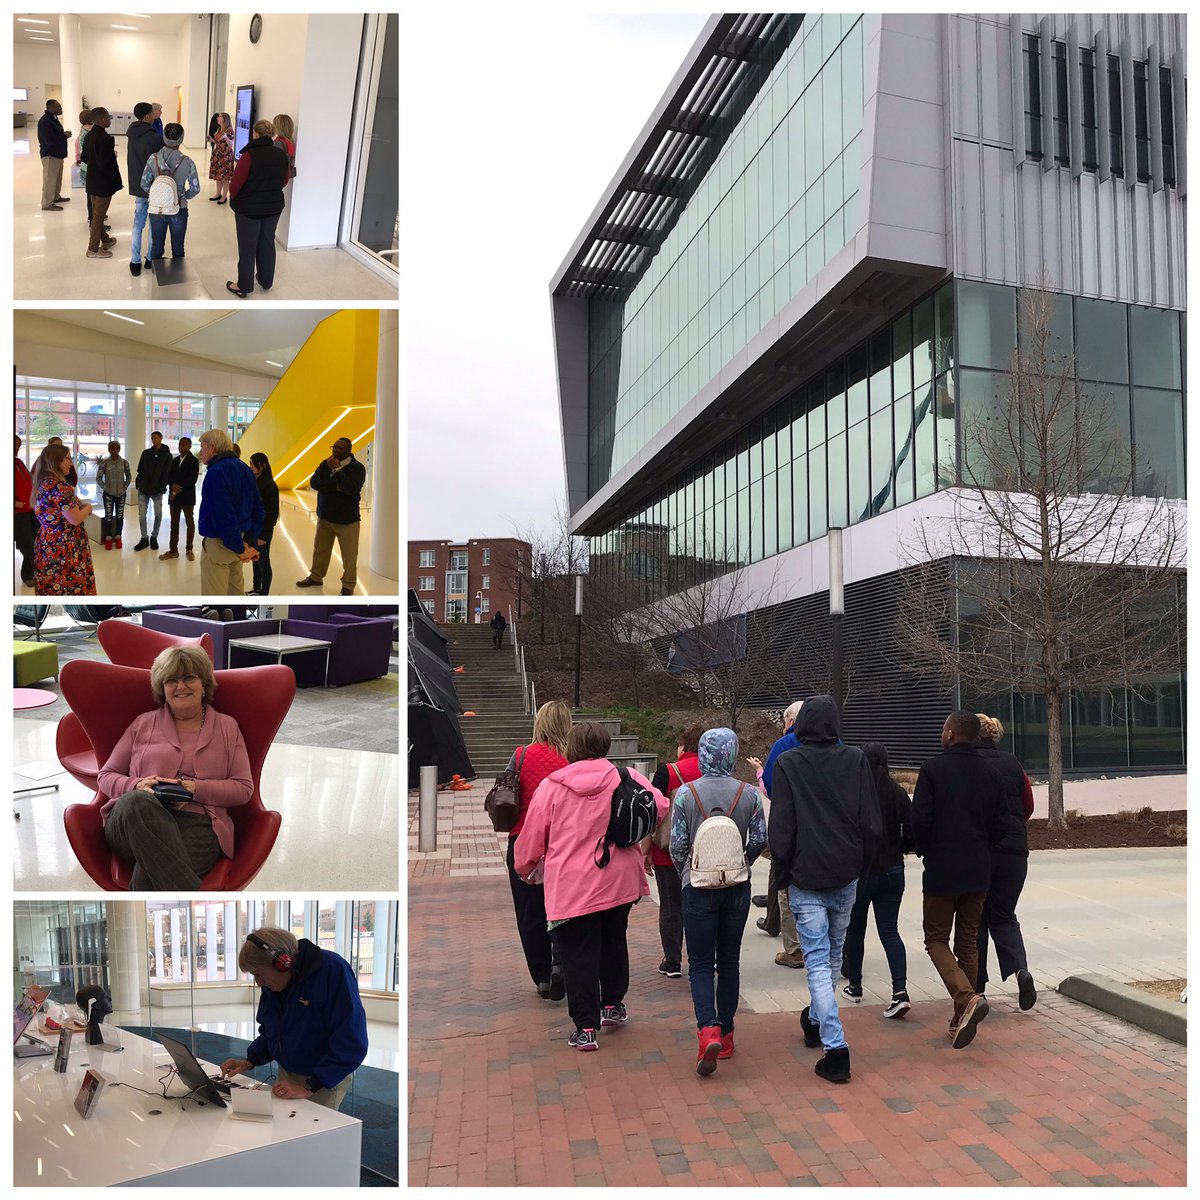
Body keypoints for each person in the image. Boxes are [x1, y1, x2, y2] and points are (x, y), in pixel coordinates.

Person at [513, 722, 667, 1052]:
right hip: (620, 878)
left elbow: (531, 839)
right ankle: (612, 1004)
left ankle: (585, 1027)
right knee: (613, 939)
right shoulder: (625, 777)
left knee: (577, 953)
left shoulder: (552, 786)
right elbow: (660, 805)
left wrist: (525, 868)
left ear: (571, 748)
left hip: (573, 885)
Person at [769, 695, 880, 1084]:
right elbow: (870, 819)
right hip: (846, 870)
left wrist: (782, 874)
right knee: (831, 955)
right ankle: (816, 1020)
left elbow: (782, 825)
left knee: (818, 959)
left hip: (806, 872)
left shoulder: (788, 763)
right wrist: (863, 863)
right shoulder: (855, 760)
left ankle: (835, 1046)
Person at [97, 645, 251, 890]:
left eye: (189, 677)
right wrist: (136, 785)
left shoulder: (227, 727)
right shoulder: (142, 724)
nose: (180, 686)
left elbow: (243, 789)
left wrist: (194, 790)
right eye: (171, 680)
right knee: (137, 801)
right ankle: (197, 901)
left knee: (152, 869)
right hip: (133, 822)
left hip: (198, 825)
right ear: (162, 688)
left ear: (204, 684)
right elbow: (105, 776)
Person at [671, 728, 767, 1075]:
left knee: (700, 964)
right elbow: (760, 839)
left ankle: (707, 1029)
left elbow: (677, 845)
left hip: (698, 888)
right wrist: (742, 862)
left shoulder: (686, 793)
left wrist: (689, 872)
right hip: (736, 888)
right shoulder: (749, 794)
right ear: (733, 754)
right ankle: (726, 1035)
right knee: (728, 961)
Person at [912, 710, 1009, 1049]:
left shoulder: (933, 769)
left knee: (935, 939)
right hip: (978, 867)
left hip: (942, 867)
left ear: (952, 734)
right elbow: (1003, 824)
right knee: (967, 942)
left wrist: (925, 849)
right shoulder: (991, 773)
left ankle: (967, 998)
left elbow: (920, 819)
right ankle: (960, 1017)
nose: (942, 733)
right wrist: (982, 846)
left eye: (943, 729)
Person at [219, 928, 368, 1111]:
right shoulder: (275, 983)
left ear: (283, 962)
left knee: (314, 1128)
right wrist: (251, 1060)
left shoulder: (332, 970)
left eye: (259, 974)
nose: (258, 983)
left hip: (323, 1078)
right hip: (288, 1073)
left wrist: (309, 1086)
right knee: (285, 1124)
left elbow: (351, 1041)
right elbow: (272, 1030)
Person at [502, 700, 571, 1001]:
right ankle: (560, 963)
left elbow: (505, 792)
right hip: (563, 842)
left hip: (523, 841)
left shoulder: (520, 756)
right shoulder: (573, 758)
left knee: (529, 911)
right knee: (563, 907)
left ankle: (541, 975)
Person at [841, 742, 915, 1017]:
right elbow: (912, 832)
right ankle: (899, 991)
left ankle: (855, 986)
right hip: (893, 869)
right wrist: (900, 847)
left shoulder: (855, 793)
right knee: (890, 931)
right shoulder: (898, 793)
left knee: (855, 930)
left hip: (861, 871)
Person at [974, 713, 1037, 1010]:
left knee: (975, 919)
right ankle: (1021, 970)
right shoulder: (1013, 763)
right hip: (1015, 852)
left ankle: (977, 989)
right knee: (1004, 916)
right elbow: (1028, 805)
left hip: (982, 851)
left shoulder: (969, 764)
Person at [752, 700, 806, 969]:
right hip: (827, 831)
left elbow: (771, 788)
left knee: (786, 890)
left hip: (789, 828)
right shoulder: (838, 746)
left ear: (791, 721)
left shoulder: (784, 746)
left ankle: (794, 949)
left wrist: (760, 773)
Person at [646, 726, 703, 978]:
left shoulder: (667, 772)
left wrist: (646, 850)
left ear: (683, 746)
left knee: (670, 907)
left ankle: (672, 961)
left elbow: (652, 814)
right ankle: (701, 959)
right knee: (700, 908)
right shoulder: (712, 773)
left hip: (667, 852)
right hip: (704, 854)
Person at [226, 119, 289, 298]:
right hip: (274, 207)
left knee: (248, 247)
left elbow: (235, 186)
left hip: (248, 210)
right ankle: (266, 280)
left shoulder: (248, 156)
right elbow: (284, 181)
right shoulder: (280, 155)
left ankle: (244, 286)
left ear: (255, 134)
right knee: (267, 243)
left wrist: (236, 199)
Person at [295, 438, 366, 596]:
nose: (334, 450)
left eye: (338, 448)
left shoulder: (358, 468)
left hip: (347, 521)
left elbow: (350, 488)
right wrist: (335, 486)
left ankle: (348, 585)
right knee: (320, 550)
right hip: (325, 517)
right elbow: (314, 482)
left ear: (348, 450)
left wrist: (337, 471)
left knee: (349, 556)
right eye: (333, 447)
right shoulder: (325, 463)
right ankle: (316, 576)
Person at [197, 427, 263, 595]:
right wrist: (247, 542)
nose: (200, 452)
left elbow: (223, 516)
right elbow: (258, 509)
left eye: (202, 447)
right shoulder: (244, 469)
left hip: (220, 544)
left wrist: (240, 548)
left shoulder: (215, 473)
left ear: (212, 447)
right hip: (240, 540)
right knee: (236, 593)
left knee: (215, 598)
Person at [32, 444, 95, 596]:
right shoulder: (60, 487)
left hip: (48, 542)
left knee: (52, 584)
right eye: (68, 459)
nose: (71, 463)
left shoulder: (43, 483)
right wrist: (88, 508)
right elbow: (75, 519)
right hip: (65, 545)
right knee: (69, 586)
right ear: (57, 461)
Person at [142, 124, 201, 262]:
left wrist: (157, 195)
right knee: (178, 247)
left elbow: (144, 184)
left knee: (156, 246)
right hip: (178, 209)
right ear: (181, 139)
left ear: (164, 137)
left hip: (157, 209)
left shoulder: (153, 159)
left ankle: (156, 270)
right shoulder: (187, 162)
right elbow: (195, 188)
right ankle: (178, 272)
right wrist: (182, 196)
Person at [125, 101, 164, 277]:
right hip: (153, 186)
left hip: (138, 184)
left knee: (137, 224)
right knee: (153, 224)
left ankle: (135, 262)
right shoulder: (154, 137)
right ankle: (150, 259)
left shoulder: (131, 133)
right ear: (148, 116)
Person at [81, 106, 121, 259]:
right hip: (102, 184)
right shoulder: (104, 138)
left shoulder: (89, 136)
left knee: (97, 213)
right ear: (103, 119)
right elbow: (107, 164)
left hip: (92, 181)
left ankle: (105, 239)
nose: (110, 120)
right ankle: (93, 249)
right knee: (98, 216)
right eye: (108, 117)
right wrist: (113, 180)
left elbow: (84, 157)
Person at [160, 435, 199, 562]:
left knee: (190, 523)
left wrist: (177, 488)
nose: (181, 447)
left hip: (187, 497)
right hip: (174, 498)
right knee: (174, 524)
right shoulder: (175, 460)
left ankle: (189, 549)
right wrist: (172, 486)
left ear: (189, 446)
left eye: (183, 445)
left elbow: (192, 479)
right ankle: (173, 551)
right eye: (179, 445)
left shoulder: (194, 461)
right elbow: (169, 476)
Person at [133, 431, 171, 552]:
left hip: (157, 489)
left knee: (158, 514)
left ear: (161, 438)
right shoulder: (146, 453)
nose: (153, 440)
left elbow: (166, 473)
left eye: (155, 438)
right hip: (143, 488)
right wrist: (139, 483)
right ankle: (144, 538)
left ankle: (154, 536)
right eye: (152, 438)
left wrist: (162, 487)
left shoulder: (167, 455)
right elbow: (140, 469)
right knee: (142, 515)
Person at [248, 452, 279, 594]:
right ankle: (256, 587)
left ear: (262, 466)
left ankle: (264, 593)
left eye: (253, 464)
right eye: (250, 463)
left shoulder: (269, 485)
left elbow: (272, 513)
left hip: (263, 531)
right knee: (255, 559)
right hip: (253, 528)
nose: (251, 466)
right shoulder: (255, 481)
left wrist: (264, 535)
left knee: (263, 562)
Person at [96, 440, 131, 551]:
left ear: (119, 449)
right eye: (112, 448)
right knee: (108, 516)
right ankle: (108, 538)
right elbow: (98, 478)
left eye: (116, 448)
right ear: (109, 450)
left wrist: (125, 487)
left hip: (121, 494)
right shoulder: (104, 463)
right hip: (108, 495)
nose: (114, 450)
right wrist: (105, 487)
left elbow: (129, 477)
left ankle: (118, 537)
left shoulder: (124, 463)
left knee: (120, 516)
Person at [15, 436, 39, 587]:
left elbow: (29, 481)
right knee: (27, 545)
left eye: (19, 445)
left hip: (30, 509)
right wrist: (18, 504)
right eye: (14, 444)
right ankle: (35, 572)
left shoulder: (18, 462)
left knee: (35, 541)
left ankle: (29, 573)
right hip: (18, 513)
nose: (17, 447)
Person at [37, 98, 70, 211]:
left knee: (57, 178)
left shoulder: (53, 119)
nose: (61, 108)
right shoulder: (45, 121)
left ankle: (55, 196)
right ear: (51, 108)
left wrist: (63, 135)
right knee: (50, 179)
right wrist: (64, 136)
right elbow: (48, 140)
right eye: (58, 106)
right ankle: (47, 203)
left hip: (57, 154)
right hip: (50, 155)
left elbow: (55, 134)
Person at [208, 112, 234, 203]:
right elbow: (218, 142)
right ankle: (218, 194)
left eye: (219, 117)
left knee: (225, 177)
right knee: (218, 176)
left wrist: (226, 137)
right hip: (218, 155)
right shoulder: (219, 129)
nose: (217, 118)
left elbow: (231, 145)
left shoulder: (229, 130)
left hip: (225, 156)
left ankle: (224, 196)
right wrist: (212, 140)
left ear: (224, 119)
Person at [272, 112, 297, 179]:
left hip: (275, 177)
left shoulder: (278, 142)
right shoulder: (290, 142)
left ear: (278, 127)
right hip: (283, 177)